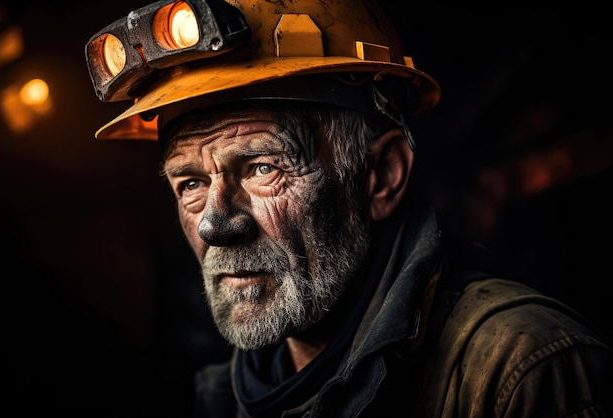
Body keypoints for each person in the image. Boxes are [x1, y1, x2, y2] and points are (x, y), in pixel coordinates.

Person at [84, 0, 613, 416]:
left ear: (381, 177)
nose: (215, 224)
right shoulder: (220, 398)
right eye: (191, 182)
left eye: (262, 168)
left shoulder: (521, 367)